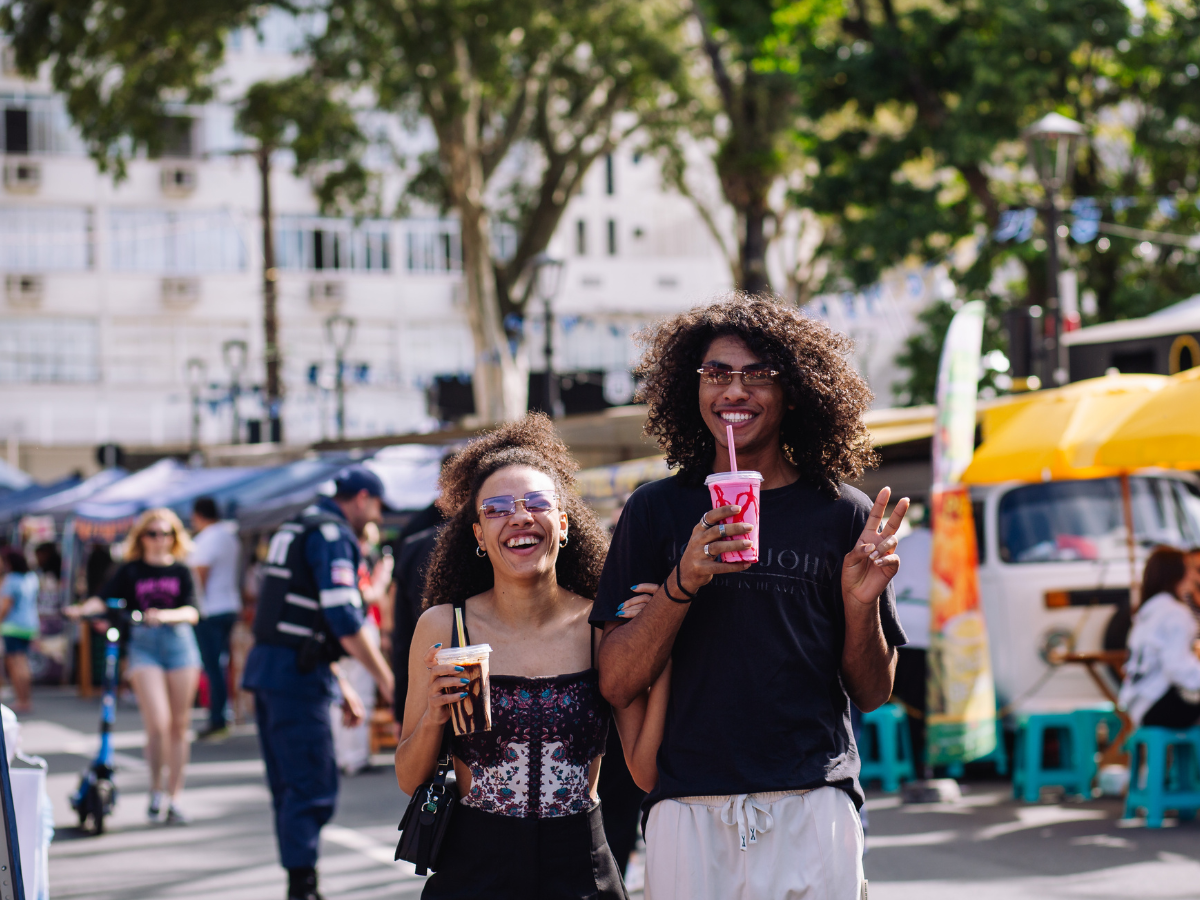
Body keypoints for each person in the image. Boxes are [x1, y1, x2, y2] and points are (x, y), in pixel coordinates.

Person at [592, 294, 908, 900]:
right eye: (716, 374)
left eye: (758, 374)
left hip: (812, 800)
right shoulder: (656, 511)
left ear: (794, 391)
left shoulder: (842, 513)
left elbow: (872, 692)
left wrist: (859, 603)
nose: (733, 391)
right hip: (689, 804)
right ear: (694, 389)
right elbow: (615, 680)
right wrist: (682, 582)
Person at [395, 414, 640, 899]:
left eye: (537, 503)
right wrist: (433, 720)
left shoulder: (601, 626)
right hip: (474, 869)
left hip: (581, 869)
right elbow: (408, 777)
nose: (520, 516)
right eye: (497, 508)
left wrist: (660, 628)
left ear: (563, 524)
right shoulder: (445, 627)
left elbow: (644, 767)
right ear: (479, 536)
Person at [243, 465, 395, 900]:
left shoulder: (296, 524)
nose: (379, 518)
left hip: (275, 670)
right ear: (363, 498)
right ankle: (303, 887)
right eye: (379, 507)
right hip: (295, 676)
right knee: (312, 783)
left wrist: (341, 684)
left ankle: (300, 879)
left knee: (289, 785)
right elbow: (343, 620)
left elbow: (300, 616)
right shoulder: (332, 536)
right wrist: (387, 681)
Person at [66, 509, 202, 824]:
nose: (159, 540)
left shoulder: (182, 570)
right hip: (144, 646)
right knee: (158, 723)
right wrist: (82, 610)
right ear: (142, 538)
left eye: (165, 534)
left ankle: (174, 796)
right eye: (152, 534)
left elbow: (193, 612)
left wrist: (165, 615)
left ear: (175, 537)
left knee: (179, 726)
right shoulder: (130, 571)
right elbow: (103, 598)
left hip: (179, 643)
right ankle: (155, 790)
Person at [1119, 546, 1200, 728]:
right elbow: (1177, 667)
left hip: (1135, 703)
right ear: (1177, 573)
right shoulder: (1176, 613)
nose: (1193, 576)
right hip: (1157, 704)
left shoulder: (1148, 612)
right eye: (1189, 569)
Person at [189, 496, 242, 740]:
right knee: (222, 664)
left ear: (198, 515)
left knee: (213, 666)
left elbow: (200, 577)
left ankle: (218, 717)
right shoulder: (230, 536)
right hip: (229, 605)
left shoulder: (207, 539)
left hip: (210, 609)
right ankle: (225, 713)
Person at [1, 549, 40, 714]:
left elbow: (5, 605)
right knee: (23, 663)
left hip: (13, 626)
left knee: (15, 663)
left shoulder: (11, 580)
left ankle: (21, 700)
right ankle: (26, 699)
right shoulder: (32, 577)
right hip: (30, 624)